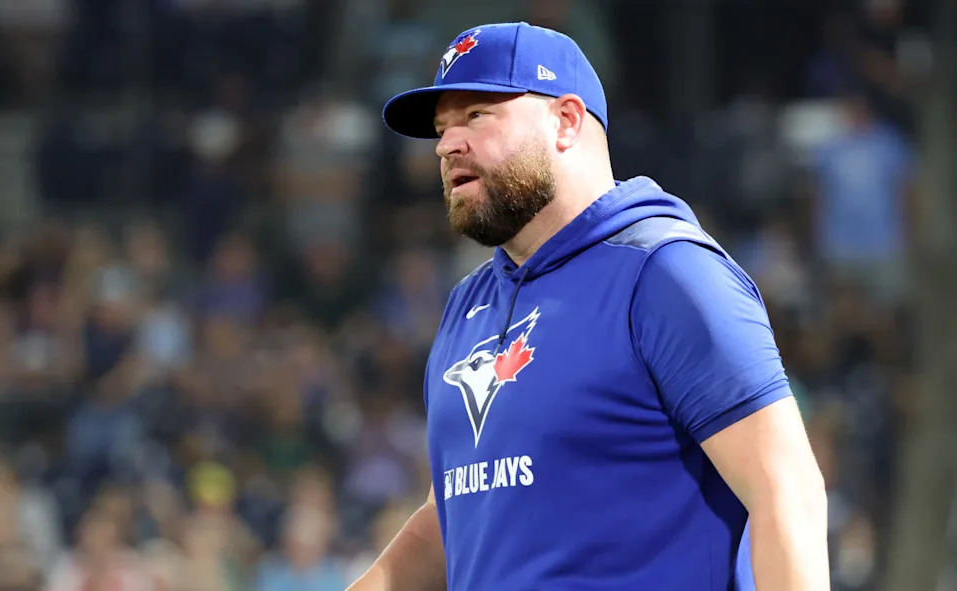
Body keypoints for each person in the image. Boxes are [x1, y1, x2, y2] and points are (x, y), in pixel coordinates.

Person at [349, 22, 828, 590]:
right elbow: (451, 520)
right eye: (441, 127)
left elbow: (786, 489)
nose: (448, 144)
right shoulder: (467, 304)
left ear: (567, 121)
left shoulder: (666, 273)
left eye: (477, 115)